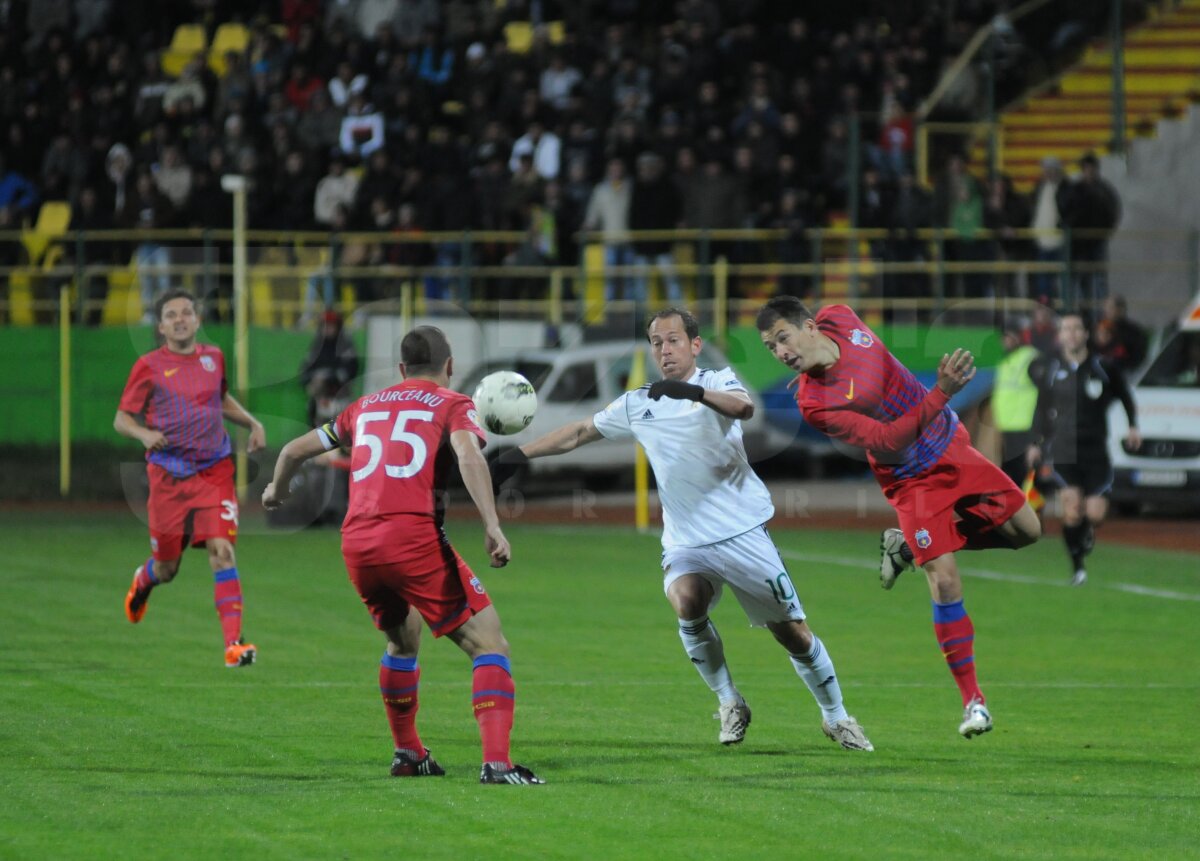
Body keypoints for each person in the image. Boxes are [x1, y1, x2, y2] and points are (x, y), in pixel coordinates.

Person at [494, 308, 875, 752]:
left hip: (742, 531)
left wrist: (690, 391)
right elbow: (579, 432)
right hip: (687, 540)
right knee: (686, 602)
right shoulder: (639, 402)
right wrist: (517, 456)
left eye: (673, 340)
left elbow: (744, 408)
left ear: (694, 345)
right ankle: (730, 701)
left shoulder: (717, 381)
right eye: (656, 342)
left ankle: (836, 717)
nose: (664, 349)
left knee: (792, 632)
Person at [261, 326, 543, 785]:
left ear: (400, 369)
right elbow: (469, 455)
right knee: (489, 643)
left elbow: (294, 449)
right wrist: (492, 524)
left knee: (402, 640)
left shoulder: (363, 406)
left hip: (357, 542)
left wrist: (277, 488)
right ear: (449, 368)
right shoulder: (453, 404)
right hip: (411, 537)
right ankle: (497, 764)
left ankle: (409, 753)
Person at [756, 296, 1042, 738]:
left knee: (1028, 532)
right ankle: (974, 702)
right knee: (945, 581)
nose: (779, 352)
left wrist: (939, 399)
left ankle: (910, 545)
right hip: (911, 479)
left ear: (811, 326)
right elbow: (887, 440)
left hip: (950, 445)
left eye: (782, 338)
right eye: (769, 348)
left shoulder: (840, 315)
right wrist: (942, 391)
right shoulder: (815, 402)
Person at [114, 289, 266, 668]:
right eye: (171, 314)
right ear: (161, 326)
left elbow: (221, 398)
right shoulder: (148, 366)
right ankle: (143, 581)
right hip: (168, 476)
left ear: (198, 321)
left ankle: (234, 645)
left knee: (223, 552)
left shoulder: (213, 358)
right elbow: (122, 419)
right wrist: (145, 434)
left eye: (187, 312)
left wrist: (251, 422)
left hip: (214, 471)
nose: (180, 319)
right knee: (167, 568)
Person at [1028, 312, 1140, 586]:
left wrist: (1133, 426)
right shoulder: (1052, 370)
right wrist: (1034, 442)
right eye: (1066, 329)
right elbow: (1041, 408)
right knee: (1072, 510)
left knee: (1095, 514)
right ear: (1061, 335)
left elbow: (1125, 395)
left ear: (1086, 334)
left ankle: (1086, 533)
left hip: (1095, 450)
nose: (1072, 334)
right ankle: (1078, 567)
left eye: (1077, 328)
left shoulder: (1103, 367)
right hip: (1064, 450)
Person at [992, 319, 1044, 489]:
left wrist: (1037, 433)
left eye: (1008, 337)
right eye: (1003, 337)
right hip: (1007, 429)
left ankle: (1034, 514)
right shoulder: (1005, 362)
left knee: (1028, 477)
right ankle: (1018, 514)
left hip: (1027, 428)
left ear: (1018, 337)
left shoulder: (1030, 358)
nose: (1004, 341)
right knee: (1012, 478)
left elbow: (1045, 394)